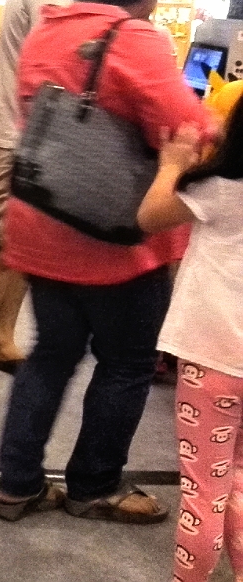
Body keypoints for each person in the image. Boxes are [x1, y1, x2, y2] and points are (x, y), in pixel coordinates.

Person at [0, 0, 213, 524]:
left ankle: (17, 484)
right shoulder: (135, 39)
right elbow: (189, 130)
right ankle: (94, 486)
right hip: (114, 242)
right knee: (127, 362)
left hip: (44, 224)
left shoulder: (51, 27)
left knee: (51, 355)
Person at [0, 0, 122, 412]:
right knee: (1, 248)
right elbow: (61, 63)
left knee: (17, 248)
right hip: (21, 137)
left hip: (28, 135)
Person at [139, 111, 243, 581]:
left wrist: (172, 165)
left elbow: (150, 216)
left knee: (204, 493)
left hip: (212, 358)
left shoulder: (219, 186)